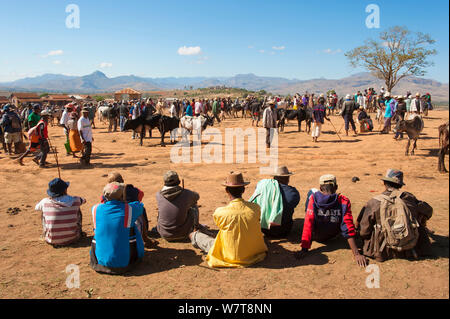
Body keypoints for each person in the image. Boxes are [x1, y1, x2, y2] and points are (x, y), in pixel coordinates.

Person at [189, 172, 268, 268]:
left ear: (226, 190)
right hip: (253, 252)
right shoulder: (256, 208)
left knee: (195, 235)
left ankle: (194, 236)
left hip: (229, 254)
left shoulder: (220, 212)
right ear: (243, 190)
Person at [356, 169, 433, 262]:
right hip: (411, 247)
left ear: (384, 183)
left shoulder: (374, 202)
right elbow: (428, 211)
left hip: (383, 251)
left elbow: (364, 231)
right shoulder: (410, 198)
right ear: (400, 185)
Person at [295, 174, 367, 267]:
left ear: (320, 188)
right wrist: (356, 254)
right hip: (333, 235)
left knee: (311, 192)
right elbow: (347, 226)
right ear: (336, 187)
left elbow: (308, 224)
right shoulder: (343, 201)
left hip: (316, 236)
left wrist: (304, 249)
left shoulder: (313, 199)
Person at [90, 182, 145, 274]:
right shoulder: (130, 209)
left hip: (100, 263)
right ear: (123, 195)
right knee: (133, 226)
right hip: (125, 263)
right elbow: (140, 205)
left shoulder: (95, 209)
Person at [103, 172, 155, 248]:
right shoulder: (131, 202)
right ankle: (145, 238)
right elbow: (141, 196)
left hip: (111, 239)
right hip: (131, 244)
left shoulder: (101, 204)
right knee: (141, 212)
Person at [250, 166, 300, 238]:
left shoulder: (263, 186)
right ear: (288, 178)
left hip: (264, 229)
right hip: (284, 230)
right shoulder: (293, 193)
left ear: (274, 178)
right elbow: (293, 205)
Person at [35, 178, 85, 246]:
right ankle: (79, 232)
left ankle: (45, 234)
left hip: (51, 239)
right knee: (77, 208)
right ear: (65, 190)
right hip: (73, 238)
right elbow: (84, 200)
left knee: (43, 212)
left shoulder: (45, 202)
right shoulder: (76, 200)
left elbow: (36, 207)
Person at [156, 171, 203, 241]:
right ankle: (196, 228)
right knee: (194, 205)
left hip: (164, 234)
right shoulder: (186, 193)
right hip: (183, 234)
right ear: (179, 181)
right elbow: (197, 197)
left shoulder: (158, 194)